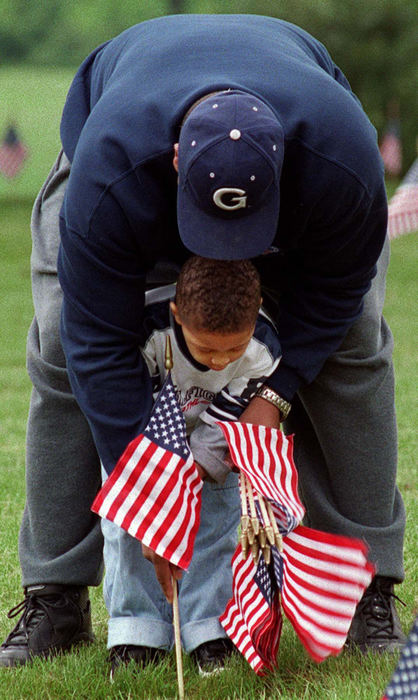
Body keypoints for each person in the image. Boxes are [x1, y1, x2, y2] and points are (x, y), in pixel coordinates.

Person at [0, 14, 406, 670]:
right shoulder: (111, 173)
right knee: (55, 348)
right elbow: (97, 345)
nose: (227, 252)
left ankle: (366, 587)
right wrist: (151, 498)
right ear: (179, 159)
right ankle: (56, 596)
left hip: (306, 197)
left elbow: (334, 295)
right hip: (127, 167)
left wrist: (273, 393)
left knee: (355, 345)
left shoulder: (342, 163)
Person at [102, 254, 281, 675]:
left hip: (212, 444)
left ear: (255, 317)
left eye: (232, 349)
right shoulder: (146, 333)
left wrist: (193, 472)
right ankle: (137, 630)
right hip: (144, 445)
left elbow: (233, 415)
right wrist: (156, 490)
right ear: (177, 316)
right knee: (130, 530)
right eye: (206, 349)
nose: (219, 362)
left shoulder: (263, 349)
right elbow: (127, 404)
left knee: (215, 523)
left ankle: (208, 627)